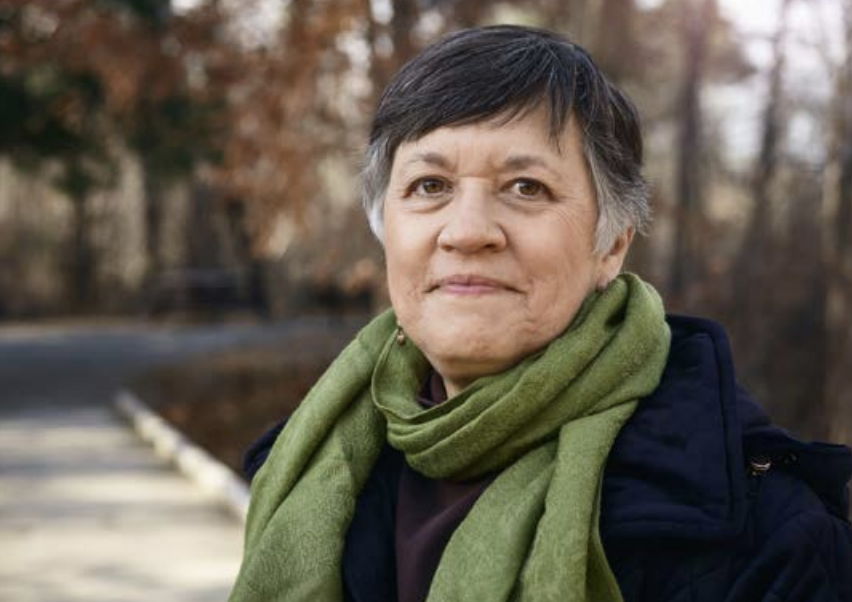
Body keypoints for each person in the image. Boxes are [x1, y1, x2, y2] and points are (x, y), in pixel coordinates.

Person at [228, 25, 852, 602]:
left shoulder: (765, 531)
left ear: (610, 244)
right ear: (384, 227)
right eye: (430, 186)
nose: (467, 232)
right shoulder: (311, 472)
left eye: (527, 188)